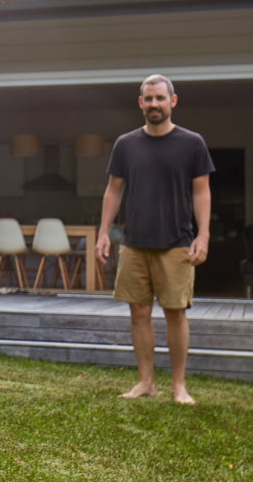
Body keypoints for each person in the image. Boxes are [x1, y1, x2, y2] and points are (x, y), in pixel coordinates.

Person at [95, 74, 213, 405]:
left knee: (175, 312)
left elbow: (202, 191)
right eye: (148, 99)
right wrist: (103, 233)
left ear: (172, 101)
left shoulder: (192, 143)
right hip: (134, 242)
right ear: (140, 103)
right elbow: (113, 190)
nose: (154, 104)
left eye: (160, 98)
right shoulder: (126, 144)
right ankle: (145, 382)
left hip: (177, 242)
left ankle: (178, 386)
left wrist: (203, 235)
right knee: (138, 313)